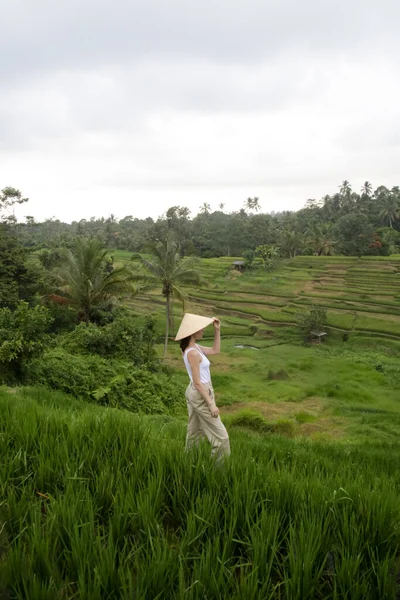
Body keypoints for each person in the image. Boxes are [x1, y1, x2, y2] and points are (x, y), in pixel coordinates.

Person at [175, 313, 230, 464]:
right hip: (200, 392)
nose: (203, 330)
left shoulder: (194, 347)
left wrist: (217, 330)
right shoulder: (192, 353)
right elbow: (198, 382)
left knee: (194, 432)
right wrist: (211, 403)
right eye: (200, 328)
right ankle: (218, 472)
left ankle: (189, 463)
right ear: (192, 332)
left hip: (194, 391)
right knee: (222, 438)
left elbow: (215, 350)